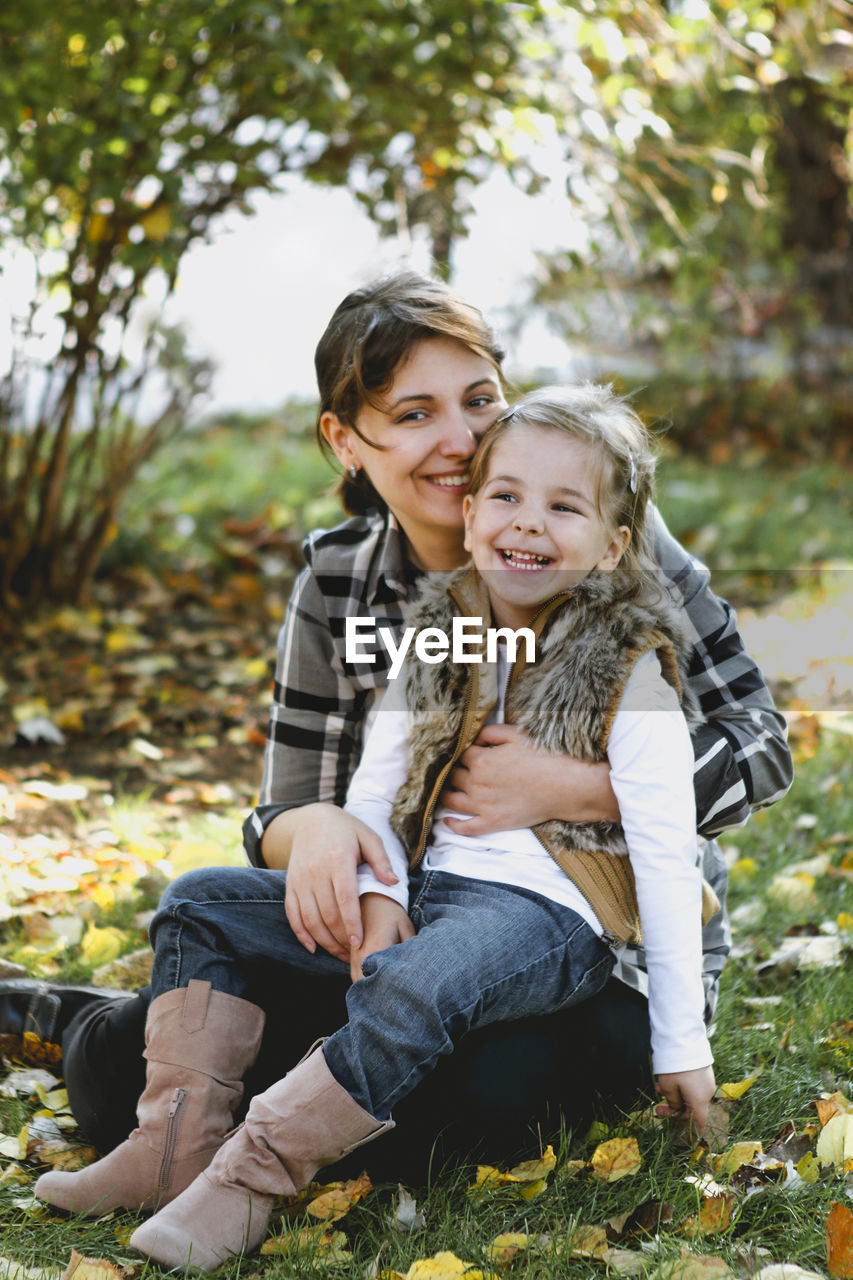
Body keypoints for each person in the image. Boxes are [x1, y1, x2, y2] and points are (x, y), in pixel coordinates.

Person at [20, 271, 791, 1198]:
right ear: (346, 441)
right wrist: (320, 834)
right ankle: (119, 1055)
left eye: (478, 401)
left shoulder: (609, 536)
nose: (461, 442)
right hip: (400, 924)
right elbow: (281, 808)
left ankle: (265, 1119)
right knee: (119, 1077)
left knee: (489, 1097)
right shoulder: (337, 584)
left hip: (592, 954)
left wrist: (581, 790)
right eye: (415, 413)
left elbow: (762, 742)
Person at [112, 381, 720, 1269]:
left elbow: (668, 860)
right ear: (470, 515)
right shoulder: (436, 641)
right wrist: (376, 892)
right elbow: (374, 793)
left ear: (612, 546)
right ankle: (168, 1150)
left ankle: (250, 1180)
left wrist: (683, 1047)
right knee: (203, 902)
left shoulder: (632, 675)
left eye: (563, 507)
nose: (527, 524)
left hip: (549, 917)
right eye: (506, 497)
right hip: (429, 892)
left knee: (413, 985)